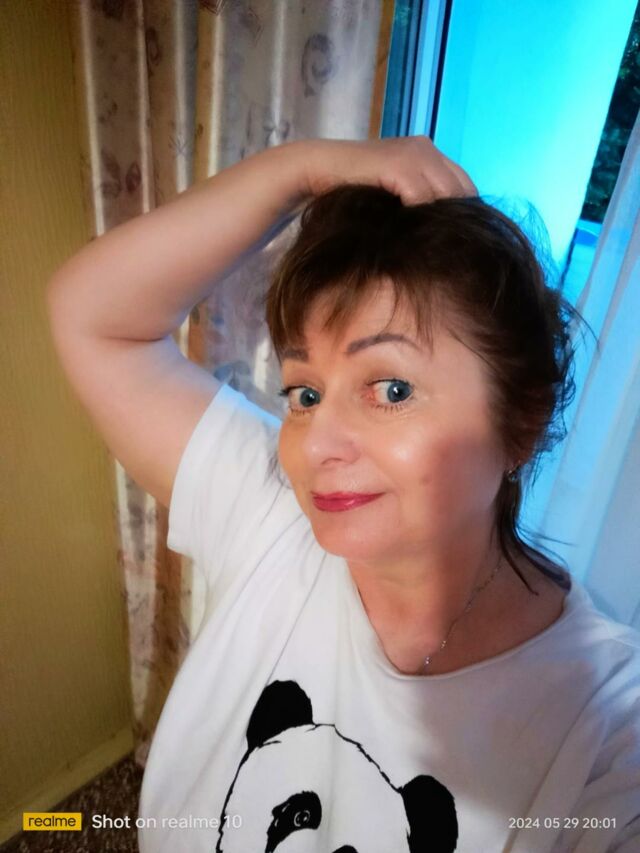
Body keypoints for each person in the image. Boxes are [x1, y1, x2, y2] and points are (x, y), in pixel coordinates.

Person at [47, 137, 640, 853]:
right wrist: (302, 170)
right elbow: (92, 316)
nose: (314, 445)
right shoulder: (268, 512)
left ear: (523, 421)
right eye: (305, 393)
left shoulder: (607, 725)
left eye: (390, 389)